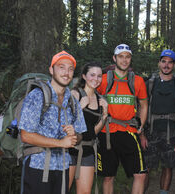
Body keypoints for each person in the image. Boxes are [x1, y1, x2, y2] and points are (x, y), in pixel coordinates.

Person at [19, 50, 87, 194]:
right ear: (51, 70)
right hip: (38, 166)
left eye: (70, 69)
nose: (66, 73)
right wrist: (61, 143)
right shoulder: (37, 96)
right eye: (61, 67)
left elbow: (80, 135)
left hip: (62, 167)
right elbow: (25, 135)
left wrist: (75, 135)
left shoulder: (72, 101)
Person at [96, 43, 148, 194]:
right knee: (108, 177)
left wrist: (141, 125)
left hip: (129, 131)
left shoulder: (137, 81)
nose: (124, 60)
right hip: (106, 132)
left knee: (140, 174)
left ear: (131, 59)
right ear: (114, 58)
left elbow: (144, 105)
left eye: (127, 57)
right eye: (121, 57)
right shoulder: (103, 80)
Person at [143, 49, 175, 194]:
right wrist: (142, 134)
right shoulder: (150, 82)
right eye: (164, 61)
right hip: (151, 131)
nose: (166, 65)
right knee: (146, 167)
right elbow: (140, 108)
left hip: (171, 133)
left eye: (170, 62)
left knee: (168, 166)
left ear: (174, 65)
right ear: (159, 63)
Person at [69, 62, 108, 194]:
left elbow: (93, 132)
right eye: (92, 75)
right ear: (84, 76)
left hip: (88, 149)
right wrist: (79, 107)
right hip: (69, 149)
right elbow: (65, 122)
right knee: (63, 190)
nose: (95, 79)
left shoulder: (99, 99)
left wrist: (104, 115)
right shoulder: (75, 94)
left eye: (99, 76)